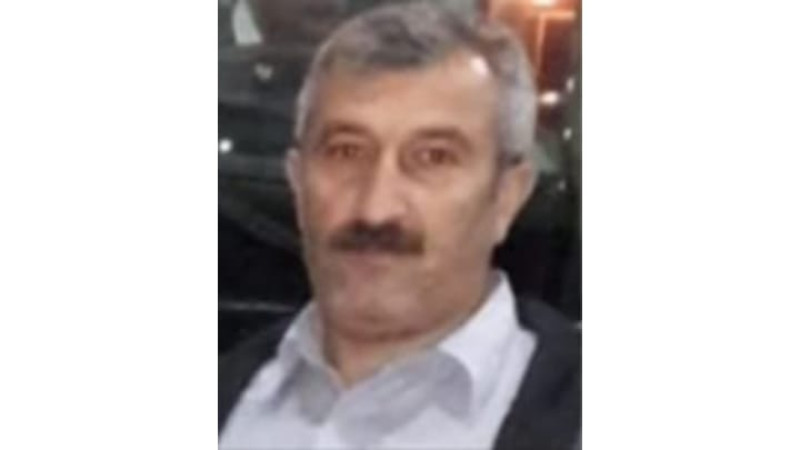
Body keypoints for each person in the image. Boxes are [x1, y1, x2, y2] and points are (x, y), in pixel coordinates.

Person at [219, 3, 580, 449]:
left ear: (507, 196)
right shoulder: (229, 399)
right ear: (297, 182)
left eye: (433, 157)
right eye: (346, 152)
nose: (376, 209)